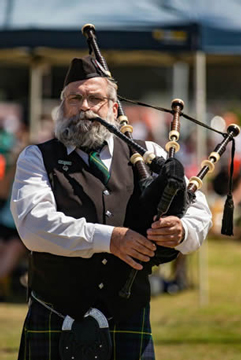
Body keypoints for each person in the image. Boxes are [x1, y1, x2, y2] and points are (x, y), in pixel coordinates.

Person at [11, 55, 212, 360]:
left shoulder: (150, 155)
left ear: (115, 109)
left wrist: (182, 231)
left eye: (95, 98)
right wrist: (111, 239)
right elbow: (34, 226)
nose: (85, 106)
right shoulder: (36, 158)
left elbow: (198, 211)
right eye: (74, 98)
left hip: (127, 316)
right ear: (62, 107)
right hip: (55, 313)